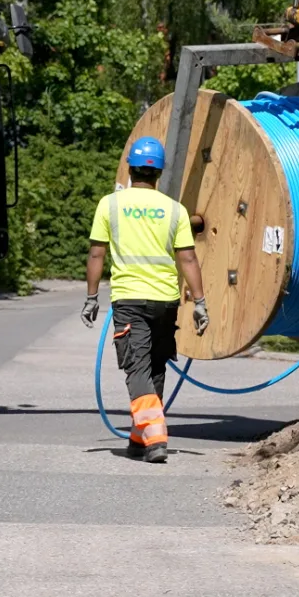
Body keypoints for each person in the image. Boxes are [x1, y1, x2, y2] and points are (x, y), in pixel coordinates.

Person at [83, 136, 209, 463]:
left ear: (130, 168)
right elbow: (189, 260)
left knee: (135, 367)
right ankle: (140, 438)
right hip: (166, 301)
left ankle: (155, 435)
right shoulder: (175, 210)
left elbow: (97, 253)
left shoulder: (109, 205)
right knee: (155, 365)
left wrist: (91, 297)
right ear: (159, 174)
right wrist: (200, 302)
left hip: (129, 299)